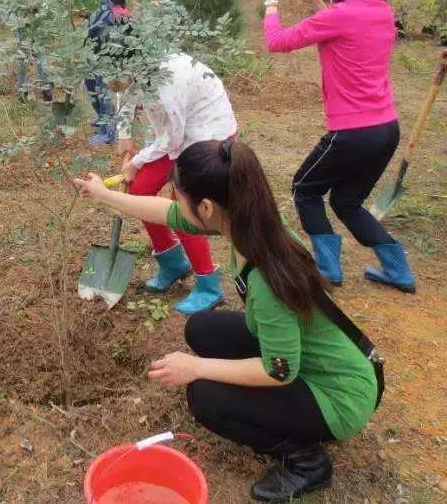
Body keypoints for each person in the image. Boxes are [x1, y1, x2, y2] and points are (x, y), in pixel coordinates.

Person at [73, 139, 380, 502]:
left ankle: (305, 461)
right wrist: (101, 194)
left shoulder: (265, 279)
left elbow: (280, 371)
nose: (174, 203)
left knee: (204, 396)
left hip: (337, 396)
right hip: (314, 358)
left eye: (179, 196)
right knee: (201, 327)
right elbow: (163, 212)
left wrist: (198, 368)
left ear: (205, 207)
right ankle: (258, 400)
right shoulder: (249, 221)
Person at [262, 0, 415, 292]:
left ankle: (328, 269)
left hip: (351, 133)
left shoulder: (341, 16)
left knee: (304, 188)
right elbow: (345, 26)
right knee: (347, 201)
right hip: (385, 130)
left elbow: (275, 41)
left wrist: (271, 0)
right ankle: (398, 268)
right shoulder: (382, 11)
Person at [109, 50, 238, 313]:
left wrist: (137, 162)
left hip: (207, 135)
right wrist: (124, 134)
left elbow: (173, 140)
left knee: (185, 204)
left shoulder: (171, 81)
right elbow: (124, 91)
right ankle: (173, 263)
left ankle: (208, 285)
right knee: (140, 191)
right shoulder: (131, 61)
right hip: (177, 130)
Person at [84, 0, 130, 145]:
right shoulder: (107, 11)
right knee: (93, 88)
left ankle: (109, 133)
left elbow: (97, 29)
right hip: (97, 57)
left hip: (109, 61)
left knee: (104, 95)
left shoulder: (115, 14)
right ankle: (102, 119)